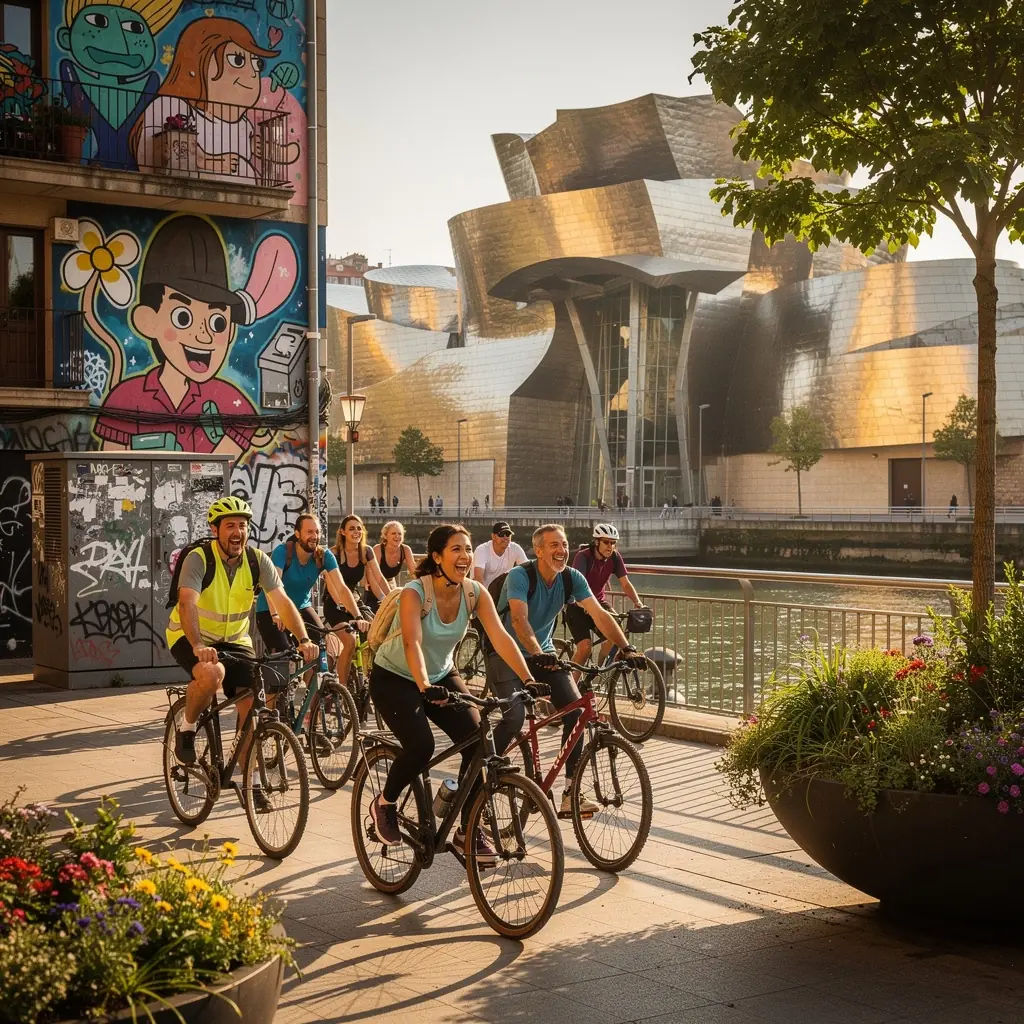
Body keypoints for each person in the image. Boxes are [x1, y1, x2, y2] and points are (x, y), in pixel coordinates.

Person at [369, 524, 538, 856]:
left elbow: (501, 638)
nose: (466, 556)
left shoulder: (474, 592)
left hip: (441, 674)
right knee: (421, 746)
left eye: (469, 549)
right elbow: (411, 641)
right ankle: (385, 803)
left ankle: (466, 829)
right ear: (436, 557)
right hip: (395, 676)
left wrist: (528, 679)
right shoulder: (415, 592)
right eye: (457, 550)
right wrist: (424, 686)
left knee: (479, 744)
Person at [168, 497, 318, 810]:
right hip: (190, 636)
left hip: (235, 640)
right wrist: (197, 645)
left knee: (253, 699)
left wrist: (303, 638)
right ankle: (187, 728)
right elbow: (187, 604)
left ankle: (248, 781)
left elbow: (282, 601)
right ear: (215, 529)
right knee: (212, 674)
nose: (238, 532)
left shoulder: (256, 560)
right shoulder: (199, 558)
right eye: (230, 526)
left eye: (243, 525)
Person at [486, 524, 646, 814]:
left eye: (564, 545)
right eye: (553, 545)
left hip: (543, 654)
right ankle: (484, 775)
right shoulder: (521, 576)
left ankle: (571, 792)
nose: (561, 551)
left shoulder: (571, 578)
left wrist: (626, 647)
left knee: (576, 714)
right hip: (506, 654)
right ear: (538, 550)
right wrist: (536, 653)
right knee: (514, 718)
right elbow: (520, 621)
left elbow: (598, 614)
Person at [254, 513, 367, 687]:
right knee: (282, 661)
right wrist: (276, 614)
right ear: (297, 534)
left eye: (317, 532)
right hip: (270, 609)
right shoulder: (283, 552)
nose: (314, 536)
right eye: (309, 532)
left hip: (302, 607)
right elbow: (272, 587)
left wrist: (358, 616)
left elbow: (342, 588)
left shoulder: (324, 556)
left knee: (321, 652)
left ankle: (310, 708)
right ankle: (272, 710)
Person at [567, 523, 644, 671]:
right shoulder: (583, 556)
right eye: (606, 542)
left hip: (599, 602)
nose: (610, 546)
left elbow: (625, 584)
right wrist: (586, 606)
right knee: (585, 648)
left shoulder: (614, 557)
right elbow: (578, 587)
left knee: (616, 633)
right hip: (578, 604)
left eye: (613, 543)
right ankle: (572, 689)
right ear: (596, 542)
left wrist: (638, 603)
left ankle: (598, 667)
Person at [324, 515, 388, 623]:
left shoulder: (366, 551)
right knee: (351, 635)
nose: (356, 531)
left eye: (359, 528)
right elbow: (331, 586)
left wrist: (391, 598)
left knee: (374, 631)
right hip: (335, 602)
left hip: (355, 600)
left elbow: (379, 578)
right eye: (351, 528)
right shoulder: (333, 554)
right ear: (343, 532)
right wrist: (345, 608)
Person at [473, 522, 528, 588]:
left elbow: (527, 569)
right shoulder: (482, 550)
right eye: (501, 534)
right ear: (493, 536)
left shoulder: (515, 548)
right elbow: (478, 578)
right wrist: (485, 597)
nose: (505, 537)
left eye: (508, 534)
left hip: (503, 594)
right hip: (481, 592)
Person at [374, 520, 417, 590]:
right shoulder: (377, 549)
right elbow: (374, 577)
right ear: (385, 536)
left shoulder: (406, 549)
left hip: (391, 585)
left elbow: (414, 573)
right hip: (375, 586)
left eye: (400, 534)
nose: (397, 536)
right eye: (393, 533)